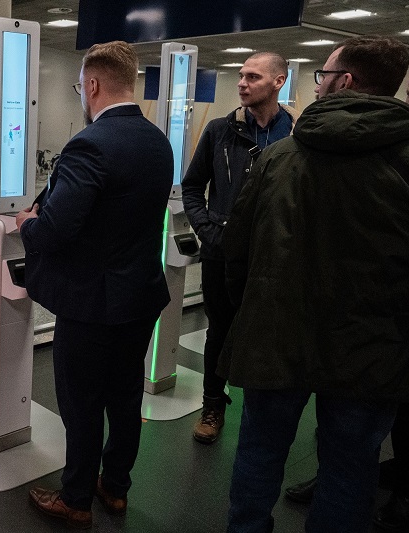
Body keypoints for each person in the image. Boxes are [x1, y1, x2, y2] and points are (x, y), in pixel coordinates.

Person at [219, 35, 409, 532]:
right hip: (372, 348)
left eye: (323, 76)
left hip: (276, 335)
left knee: (260, 452)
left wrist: (254, 308)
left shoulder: (280, 158)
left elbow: (236, 252)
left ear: (345, 82)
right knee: (350, 466)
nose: (318, 85)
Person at [16, 40, 173, 529]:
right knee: (125, 398)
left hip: (90, 305)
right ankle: (115, 487)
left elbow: (56, 229)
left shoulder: (90, 144)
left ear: (92, 84)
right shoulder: (158, 140)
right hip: (141, 296)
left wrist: (27, 224)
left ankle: (76, 497)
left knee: (81, 404)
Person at [181, 52, 297, 444]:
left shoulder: (297, 135)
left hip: (274, 260)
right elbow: (193, 187)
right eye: (241, 76)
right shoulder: (219, 131)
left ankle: (260, 414)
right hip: (220, 255)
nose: (243, 83)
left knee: (270, 336)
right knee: (220, 331)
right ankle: (212, 404)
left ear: (279, 81)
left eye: (253, 76)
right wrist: (207, 230)